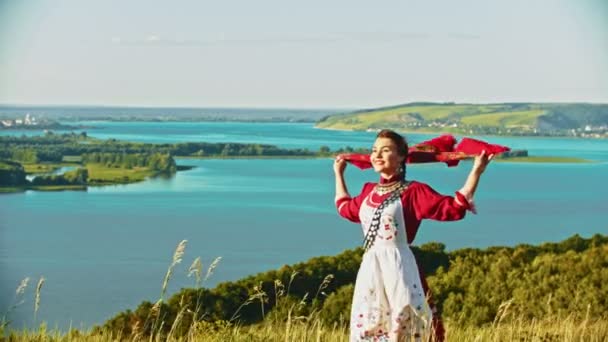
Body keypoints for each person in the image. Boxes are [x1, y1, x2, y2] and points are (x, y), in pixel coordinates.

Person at [334, 129, 493, 342]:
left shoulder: (414, 192)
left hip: (399, 267)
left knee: (403, 325)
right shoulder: (368, 191)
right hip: (371, 268)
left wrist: (476, 172)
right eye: (374, 151)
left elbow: (454, 208)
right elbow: (345, 208)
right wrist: (339, 174)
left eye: (385, 150)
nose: (377, 156)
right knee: (368, 328)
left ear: (401, 156)